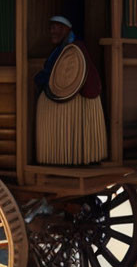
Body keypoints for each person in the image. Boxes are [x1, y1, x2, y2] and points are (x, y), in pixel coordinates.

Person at [34, 15, 107, 165]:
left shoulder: (73, 50)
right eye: (51, 28)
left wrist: (41, 79)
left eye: (57, 28)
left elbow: (64, 75)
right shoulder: (62, 48)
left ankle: (74, 158)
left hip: (74, 99)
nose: (53, 32)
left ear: (66, 30)